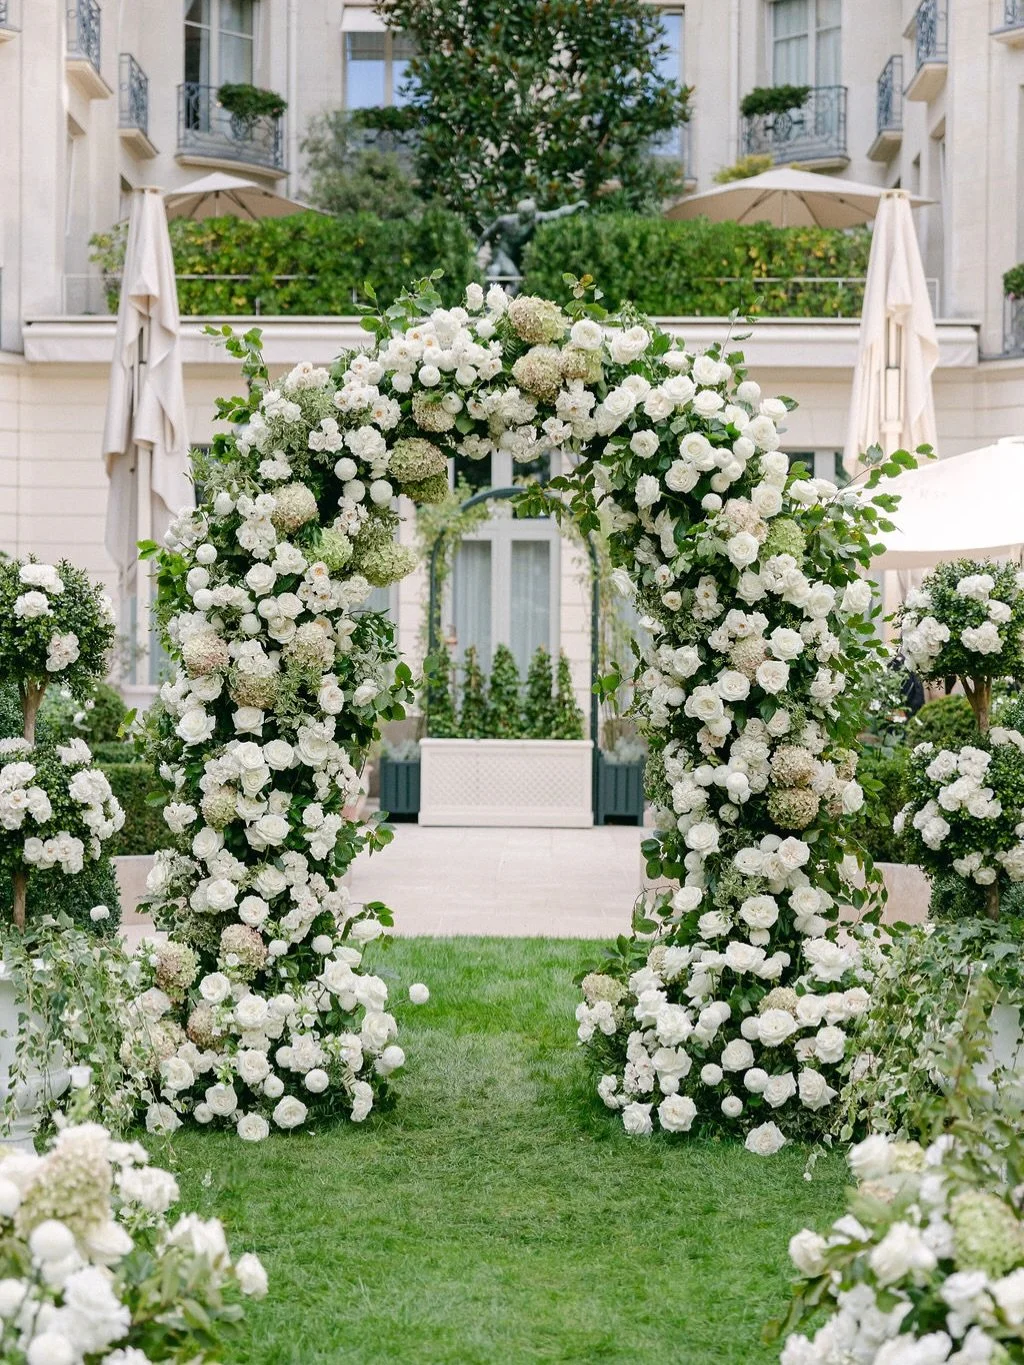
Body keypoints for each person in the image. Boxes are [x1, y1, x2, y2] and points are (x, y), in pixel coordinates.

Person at [477, 198, 587, 287]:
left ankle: (496, 276)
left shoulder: (535, 219)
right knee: (514, 278)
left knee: (511, 277)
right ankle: (498, 299)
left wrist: (575, 207)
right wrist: (477, 249)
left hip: (515, 256)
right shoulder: (505, 221)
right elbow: (487, 234)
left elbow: (556, 213)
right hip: (502, 252)